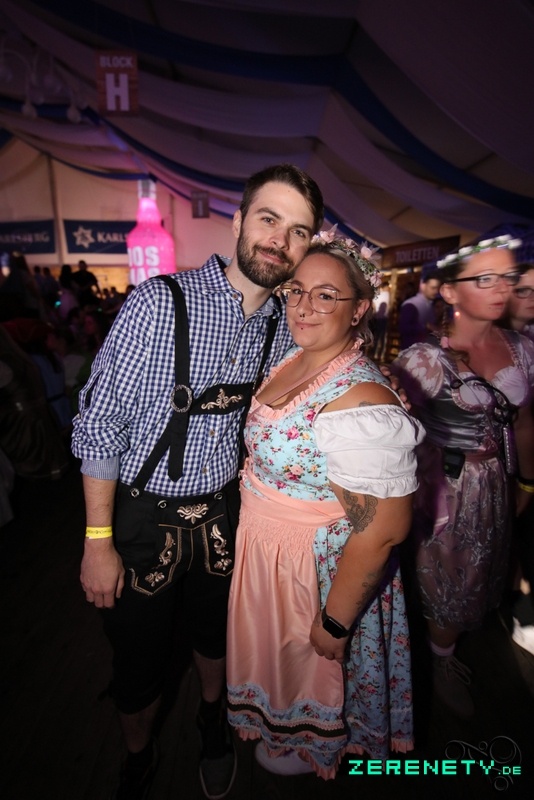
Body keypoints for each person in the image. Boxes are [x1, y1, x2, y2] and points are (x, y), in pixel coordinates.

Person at [71, 164, 325, 800]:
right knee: (138, 659)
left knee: (217, 638)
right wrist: (97, 541)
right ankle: (137, 754)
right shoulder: (159, 302)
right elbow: (99, 426)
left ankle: (212, 720)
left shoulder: (284, 327)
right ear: (238, 222)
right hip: (141, 519)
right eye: (269, 219)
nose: (280, 240)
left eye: (298, 231)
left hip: (225, 516)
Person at [226, 234, 424, 779]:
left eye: (326, 295)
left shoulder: (361, 399)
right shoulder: (297, 355)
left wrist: (335, 621)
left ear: (359, 308)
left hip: (316, 570)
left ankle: (313, 740)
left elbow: (384, 529)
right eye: (296, 291)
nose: (304, 306)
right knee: (280, 665)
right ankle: (286, 727)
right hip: (272, 555)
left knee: (315, 667)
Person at [393, 236, 534, 718]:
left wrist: (526, 482)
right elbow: (398, 434)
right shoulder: (424, 359)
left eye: (507, 278)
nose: (501, 289)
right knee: (445, 579)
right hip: (443, 487)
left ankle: (443, 649)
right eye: (485, 279)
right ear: (450, 291)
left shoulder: (522, 349)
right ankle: (439, 661)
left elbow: (525, 423)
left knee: (482, 568)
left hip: (496, 479)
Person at [398, 271, 441, 349]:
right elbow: (404, 328)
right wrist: (426, 326)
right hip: (411, 350)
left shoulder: (430, 305)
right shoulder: (411, 304)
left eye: (437, 288)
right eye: (433, 288)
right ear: (423, 286)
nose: (436, 291)